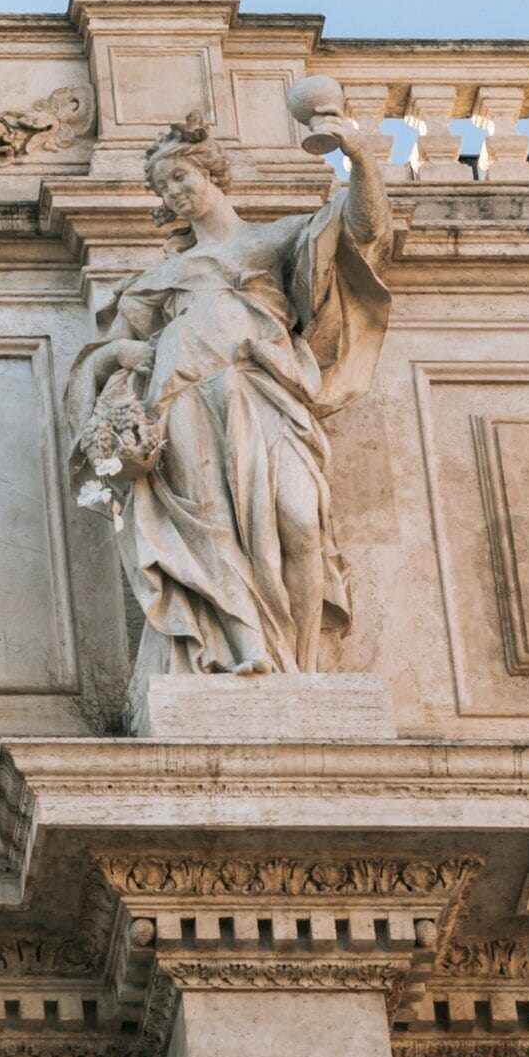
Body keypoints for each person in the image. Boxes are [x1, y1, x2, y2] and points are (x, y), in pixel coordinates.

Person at [66, 107, 393, 677]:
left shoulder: (278, 238)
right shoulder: (157, 280)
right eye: (163, 187)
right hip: (185, 397)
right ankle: (248, 650)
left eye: (180, 177)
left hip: (265, 389)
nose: (174, 193)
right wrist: (123, 354)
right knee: (211, 523)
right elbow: (100, 357)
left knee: (300, 518)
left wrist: (359, 158)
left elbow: (366, 231)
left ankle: (302, 662)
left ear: (211, 173)